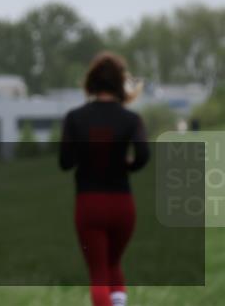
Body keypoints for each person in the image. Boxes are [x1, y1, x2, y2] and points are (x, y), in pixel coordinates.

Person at [60, 52, 149, 306]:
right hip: (122, 204)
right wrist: (127, 165)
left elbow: (65, 162)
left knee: (98, 273)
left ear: (91, 82)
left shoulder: (75, 118)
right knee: (113, 264)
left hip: (89, 204)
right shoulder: (131, 119)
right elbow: (143, 155)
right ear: (120, 83)